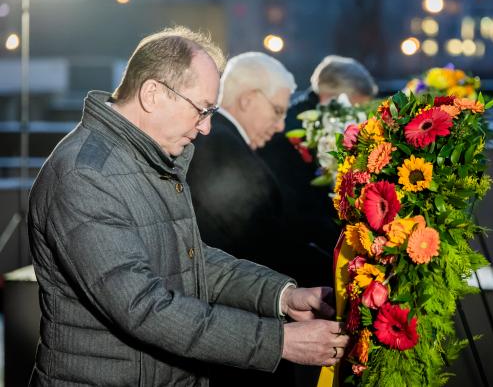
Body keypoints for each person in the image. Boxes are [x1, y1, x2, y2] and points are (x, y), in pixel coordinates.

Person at [27, 27, 349, 386]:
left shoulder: (148, 159)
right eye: (201, 109)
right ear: (152, 94)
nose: (207, 127)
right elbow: (144, 307)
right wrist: (279, 341)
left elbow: (193, 262)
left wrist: (282, 297)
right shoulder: (85, 174)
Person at [188, 51, 327, 386]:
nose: (281, 126)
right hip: (239, 332)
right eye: (278, 111)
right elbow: (260, 244)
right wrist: (336, 280)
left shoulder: (224, 142)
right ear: (249, 99)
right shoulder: (220, 146)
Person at [258, 55, 378, 286]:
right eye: (356, 107)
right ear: (332, 96)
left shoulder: (302, 116)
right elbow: (301, 205)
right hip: (290, 251)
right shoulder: (292, 130)